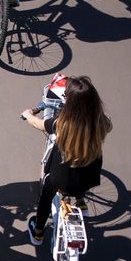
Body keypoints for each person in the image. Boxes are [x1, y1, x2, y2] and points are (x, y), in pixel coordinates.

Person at [19, 75, 112, 245]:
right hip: (90, 176)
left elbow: (38, 124)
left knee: (46, 195)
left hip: (61, 179)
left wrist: (28, 115)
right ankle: (81, 203)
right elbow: (108, 125)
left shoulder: (62, 123)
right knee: (82, 174)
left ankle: (38, 233)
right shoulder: (100, 122)